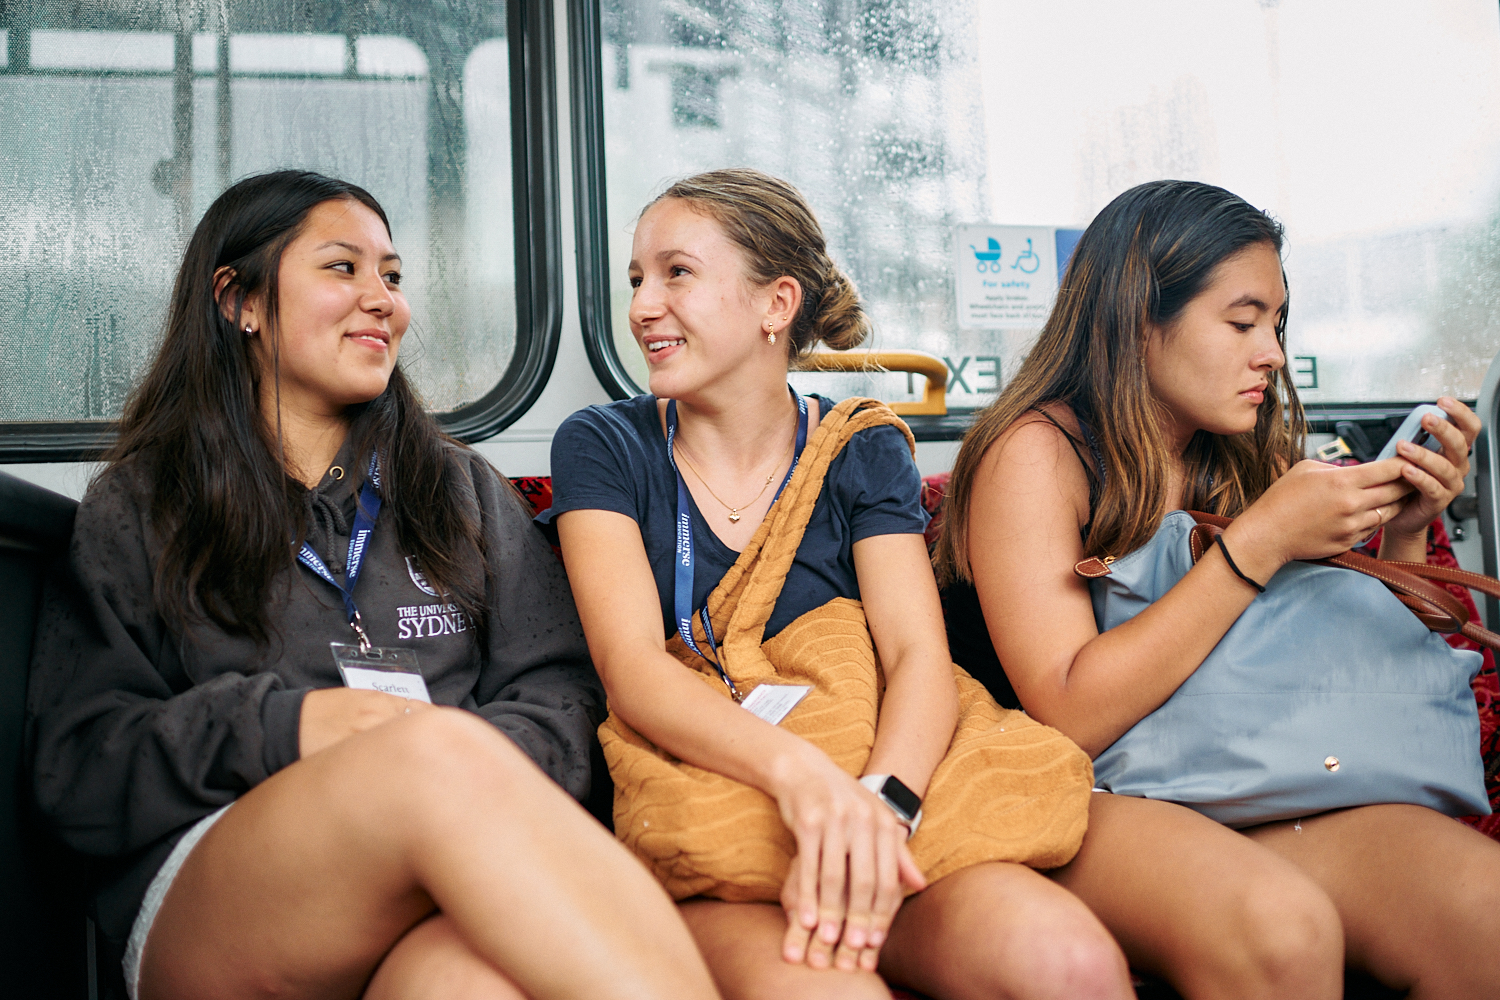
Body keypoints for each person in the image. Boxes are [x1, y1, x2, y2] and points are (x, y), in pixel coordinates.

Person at [28, 170, 718, 1000]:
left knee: (466, 984)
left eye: (392, 276)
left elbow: (565, 697)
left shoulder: (459, 489)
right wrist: (295, 725)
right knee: (430, 753)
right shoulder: (143, 502)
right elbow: (83, 764)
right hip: (218, 884)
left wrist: (460, 783)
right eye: (341, 269)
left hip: (438, 871)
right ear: (238, 300)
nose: (383, 299)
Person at [543, 167, 1132, 1000]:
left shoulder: (861, 447)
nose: (642, 305)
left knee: (1067, 965)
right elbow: (632, 669)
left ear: (775, 305)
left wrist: (879, 804)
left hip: (873, 782)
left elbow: (916, 655)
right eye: (637, 279)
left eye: (676, 273)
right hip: (726, 807)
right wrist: (802, 782)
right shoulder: (604, 445)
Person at [934, 178, 1500, 999]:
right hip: (1092, 790)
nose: (1269, 352)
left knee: (1484, 912)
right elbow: (1069, 713)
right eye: (1241, 322)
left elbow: (1324, 652)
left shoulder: (1237, 448)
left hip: (1248, 769)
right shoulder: (1036, 454)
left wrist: (1406, 531)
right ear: (1139, 319)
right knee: (1280, 931)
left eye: (1275, 323)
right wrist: (1258, 544)